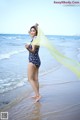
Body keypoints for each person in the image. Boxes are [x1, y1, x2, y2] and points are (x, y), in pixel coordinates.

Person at [25, 23, 41, 102]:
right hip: (37, 60)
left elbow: (33, 51)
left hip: (32, 60)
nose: (31, 32)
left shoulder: (35, 39)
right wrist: (35, 26)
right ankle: (37, 95)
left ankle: (38, 95)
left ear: (36, 32)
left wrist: (27, 48)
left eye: (33, 31)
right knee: (36, 79)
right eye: (31, 31)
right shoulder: (36, 38)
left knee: (30, 79)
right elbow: (29, 32)